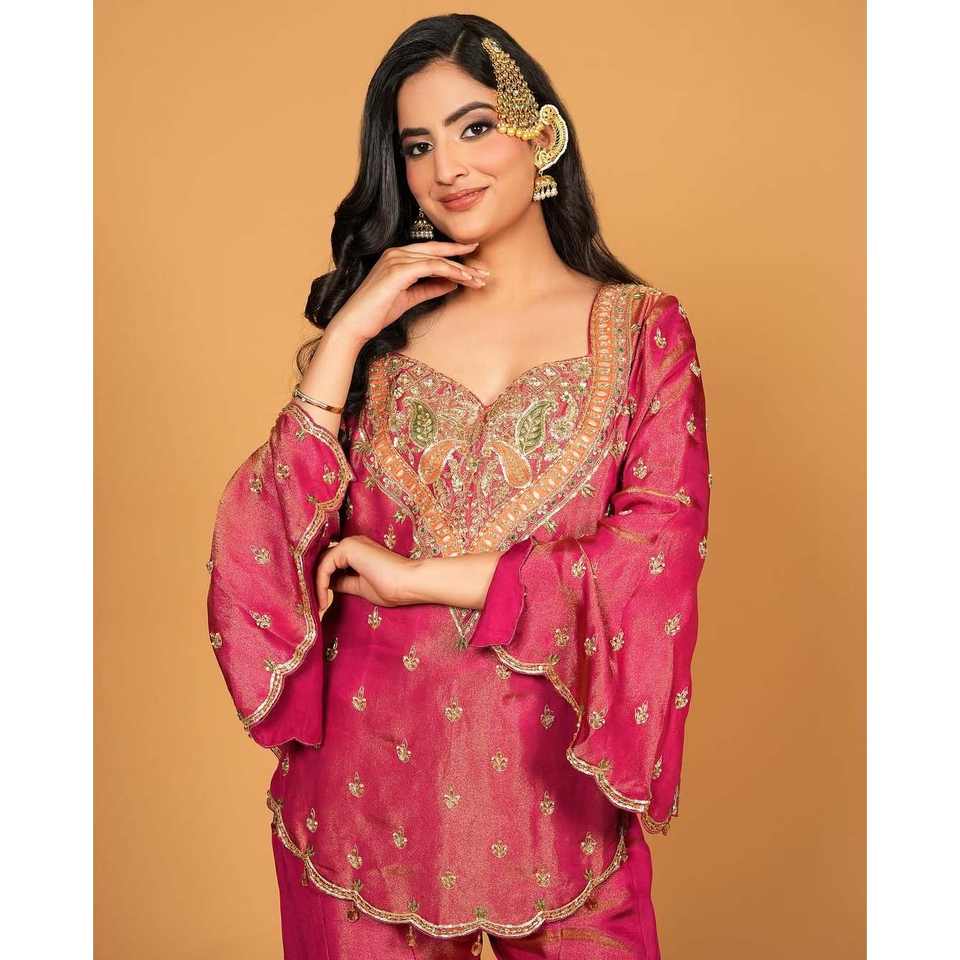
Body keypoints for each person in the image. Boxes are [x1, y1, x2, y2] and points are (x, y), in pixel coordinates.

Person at [205, 13, 711, 959]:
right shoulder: (380, 336)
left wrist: (419, 579)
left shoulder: (644, 335)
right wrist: (344, 339)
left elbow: (653, 554)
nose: (447, 168)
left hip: (554, 801)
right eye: (418, 145)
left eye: (475, 127)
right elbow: (260, 546)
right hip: (359, 800)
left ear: (542, 134)